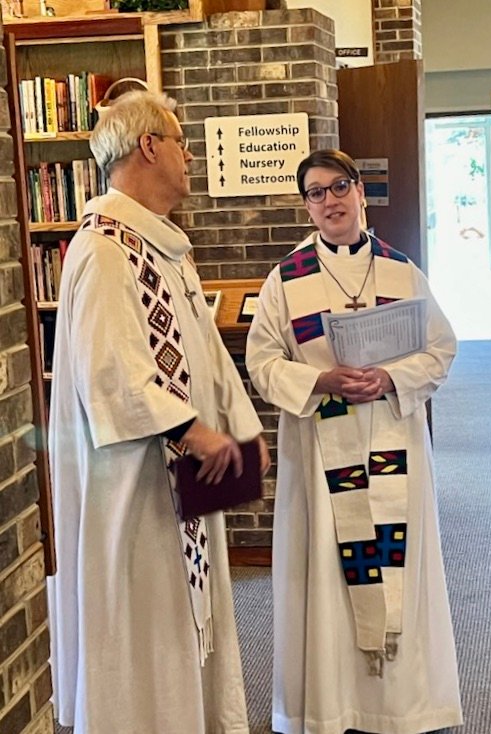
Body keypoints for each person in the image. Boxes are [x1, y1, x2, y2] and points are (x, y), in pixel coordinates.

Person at [47, 90, 270, 734]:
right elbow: (109, 374)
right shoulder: (104, 248)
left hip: (178, 481)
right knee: (143, 625)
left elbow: (206, 353)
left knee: (180, 620)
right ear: (149, 146)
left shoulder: (163, 246)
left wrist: (241, 431)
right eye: (180, 141)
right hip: (133, 487)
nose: (189, 155)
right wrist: (196, 432)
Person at [246, 149, 463, 734]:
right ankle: (332, 703)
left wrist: (390, 377)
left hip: (392, 438)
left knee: (397, 562)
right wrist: (321, 380)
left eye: (339, 186)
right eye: (315, 193)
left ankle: (403, 706)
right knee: (327, 569)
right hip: (323, 447)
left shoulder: (401, 271)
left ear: (360, 191)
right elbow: (262, 362)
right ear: (307, 207)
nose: (330, 201)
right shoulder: (286, 280)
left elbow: (441, 349)